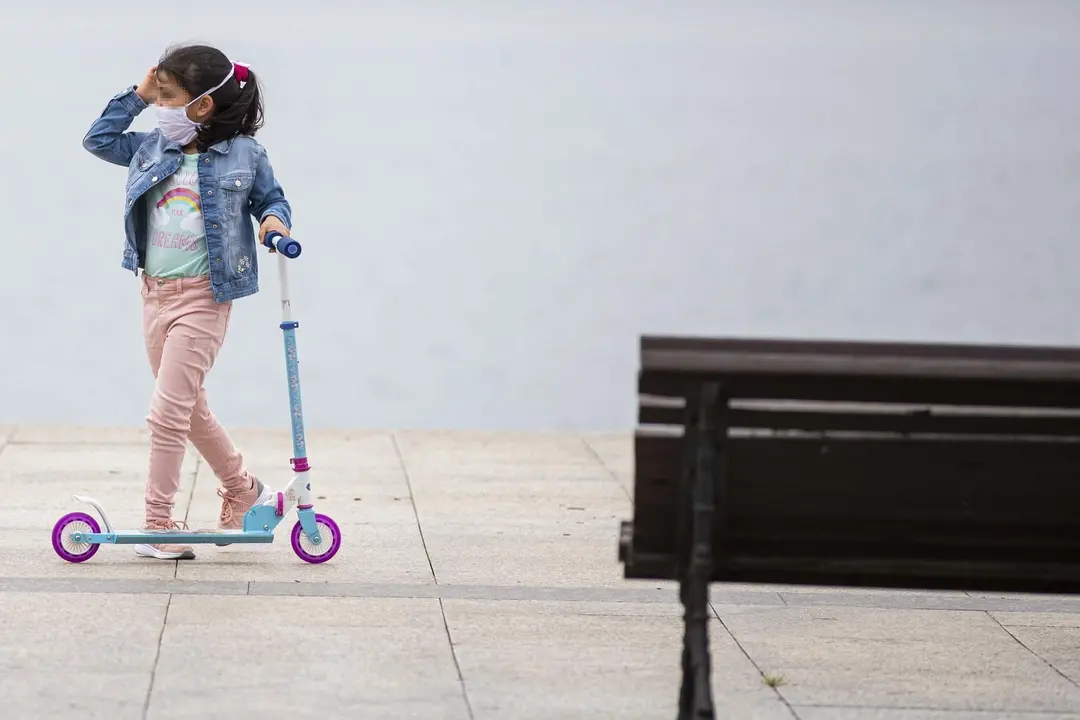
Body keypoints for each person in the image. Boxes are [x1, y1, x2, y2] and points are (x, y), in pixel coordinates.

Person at [82, 44, 292, 560]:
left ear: (201, 106)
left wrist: (273, 222)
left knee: (167, 413)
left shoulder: (245, 154)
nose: (159, 106)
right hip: (154, 294)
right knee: (189, 409)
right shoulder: (151, 146)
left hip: (206, 297)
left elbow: (271, 199)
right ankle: (245, 492)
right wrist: (138, 94)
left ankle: (158, 522)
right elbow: (98, 139)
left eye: (168, 96)